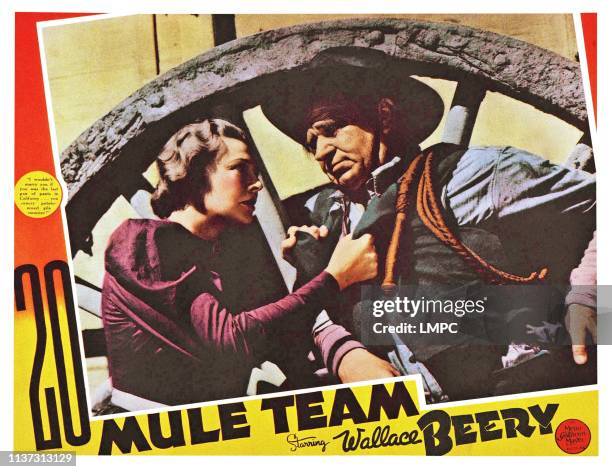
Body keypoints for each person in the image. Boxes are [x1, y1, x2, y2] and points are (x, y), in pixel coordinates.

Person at [262, 64, 596, 401]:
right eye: (312, 142)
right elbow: (310, 311)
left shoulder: (473, 175)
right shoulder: (330, 219)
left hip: (520, 399)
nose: (321, 152)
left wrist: (587, 294)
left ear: (385, 115)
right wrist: (345, 354)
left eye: (332, 129)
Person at [99, 118, 379, 411]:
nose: (256, 183)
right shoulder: (143, 242)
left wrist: (309, 265)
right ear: (195, 173)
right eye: (239, 168)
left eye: (256, 173)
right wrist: (334, 277)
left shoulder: (213, 254)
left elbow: (274, 334)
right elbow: (231, 341)